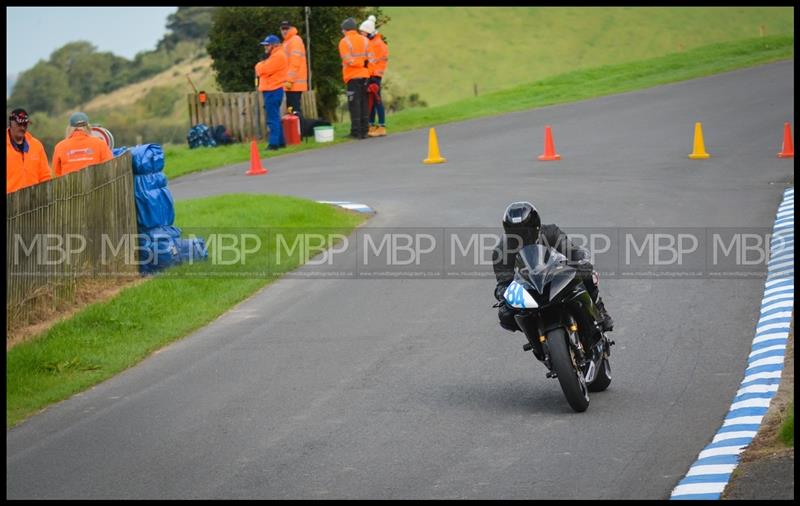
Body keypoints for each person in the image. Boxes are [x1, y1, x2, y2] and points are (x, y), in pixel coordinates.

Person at [492, 201, 614, 333]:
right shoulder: (502, 250)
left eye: (525, 231)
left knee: (587, 275)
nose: (521, 235)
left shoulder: (550, 232)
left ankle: (600, 310)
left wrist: (580, 260)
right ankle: (535, 340)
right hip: (529, 284)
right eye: (515, 232)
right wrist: (503, 293)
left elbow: (570, 250)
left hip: (556, 273)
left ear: (536, 227)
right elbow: (504, 280)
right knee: (506, 314)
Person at [52, 112, 113, 177]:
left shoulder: (60, 146)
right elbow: (109, 167)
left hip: (69, 186)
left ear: (70, 128)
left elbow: (56, 174)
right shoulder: (100, 144)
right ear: (88, 127)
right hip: (96, 185)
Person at [338, 17, 371, 139]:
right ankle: (365, 130)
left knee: (354, 104)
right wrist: (363, 63)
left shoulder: (344, 42)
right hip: (365, 76)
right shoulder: (365, 40)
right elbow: (370, 58)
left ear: (345, 29)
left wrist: (359, 63)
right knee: (364, 103)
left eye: (342, 29)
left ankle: (356, 131)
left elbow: (348, 60)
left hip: (352, 77)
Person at [6, 108, 51, 194]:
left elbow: (45, 176)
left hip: (34, 202)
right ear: (11, 123)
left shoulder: (37, 146)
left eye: (25, 124)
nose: (22, 127)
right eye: (19, 124)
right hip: (9, 202)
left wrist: (45, 196)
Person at [255, 34, 289, 150]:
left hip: (272, 90)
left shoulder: (278, 56)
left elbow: (262, 69)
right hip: (273, 89)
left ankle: (273, 144)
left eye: (267, 45)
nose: (265, 48)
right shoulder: (275, 55)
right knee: (275, 117)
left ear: (274, 45)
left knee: (272, 118)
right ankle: (281, 142)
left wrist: (259, 65)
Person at [359, 15, 389, 137]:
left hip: (375, 76)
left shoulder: (377, 44)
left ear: (369, 32)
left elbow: (374, 62)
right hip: (371, 75)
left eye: (363, 33)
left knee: (377, 101)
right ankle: (371, 125)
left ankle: (381, 126)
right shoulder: (372, 42)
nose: (361, 35)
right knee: (371, 100)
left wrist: (371, 76)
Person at [280, 20, 308, 124]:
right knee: (291, 110)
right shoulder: (286, 42)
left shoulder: (294, 40)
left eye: (286, 28)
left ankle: (299, 131)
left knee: (295, 110)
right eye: (283, 29)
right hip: (290, 83)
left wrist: (289, 80)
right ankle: (296, 133)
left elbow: (295, 62)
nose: (284, 31)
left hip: (294, 83)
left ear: (291, 28)